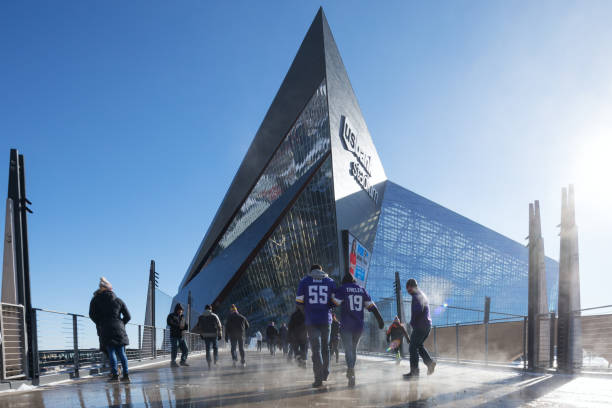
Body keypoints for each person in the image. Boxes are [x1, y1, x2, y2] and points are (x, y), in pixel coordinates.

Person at [332, 273, 384, 387]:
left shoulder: (343, 289)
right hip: (358, 326)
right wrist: (380, 320)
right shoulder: (362, 290)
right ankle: (352, 371)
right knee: (354, 349)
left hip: (346, 325)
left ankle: (350, 369)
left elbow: (335, 303)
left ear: (344, 281)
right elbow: (372, 307)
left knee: (348, 350)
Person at [296, 264, 337, 388]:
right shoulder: (330, 281)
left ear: (311, 271)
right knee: (326, 347)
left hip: (312, 320)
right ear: (321, 270)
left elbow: (299, 302)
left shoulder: (304, 281)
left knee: (316, 349)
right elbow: (335, 302)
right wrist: (328, 308)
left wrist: (307, 312)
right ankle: (326, 372)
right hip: (326, 319)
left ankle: (318, 378)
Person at [89, 277, 131, 382]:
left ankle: (115, 375)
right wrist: (122, 323)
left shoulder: (96, 300)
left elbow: (92, 315)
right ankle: (126, 375)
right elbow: (128, 316)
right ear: (110, 289)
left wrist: (100, 322)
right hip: (119, 328)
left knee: (111, 352)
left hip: (105, 328)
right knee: (122, 353)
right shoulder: (118, 300)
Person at [404, 278, 436, 380]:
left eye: (409, 289)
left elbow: (418, 310)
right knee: (418, 345)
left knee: (412, 347)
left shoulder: (417, 295)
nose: (408, 292)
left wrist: (412, 322)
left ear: (412, 286)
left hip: (421, 325)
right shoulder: (421, 294)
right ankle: (430, 363)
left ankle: (414, 373)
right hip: (427, 325)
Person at [193, 305, 222, 369]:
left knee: (207, 349)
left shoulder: (201, 317)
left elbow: (198, 327)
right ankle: (216, 361)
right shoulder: (214, 316)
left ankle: (209, 362)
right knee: (215, 348)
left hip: (206, 335)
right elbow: (219, 325)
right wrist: (220, 334)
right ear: (211, 309)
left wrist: (201, 334)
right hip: (214, 334)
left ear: (205, 309)